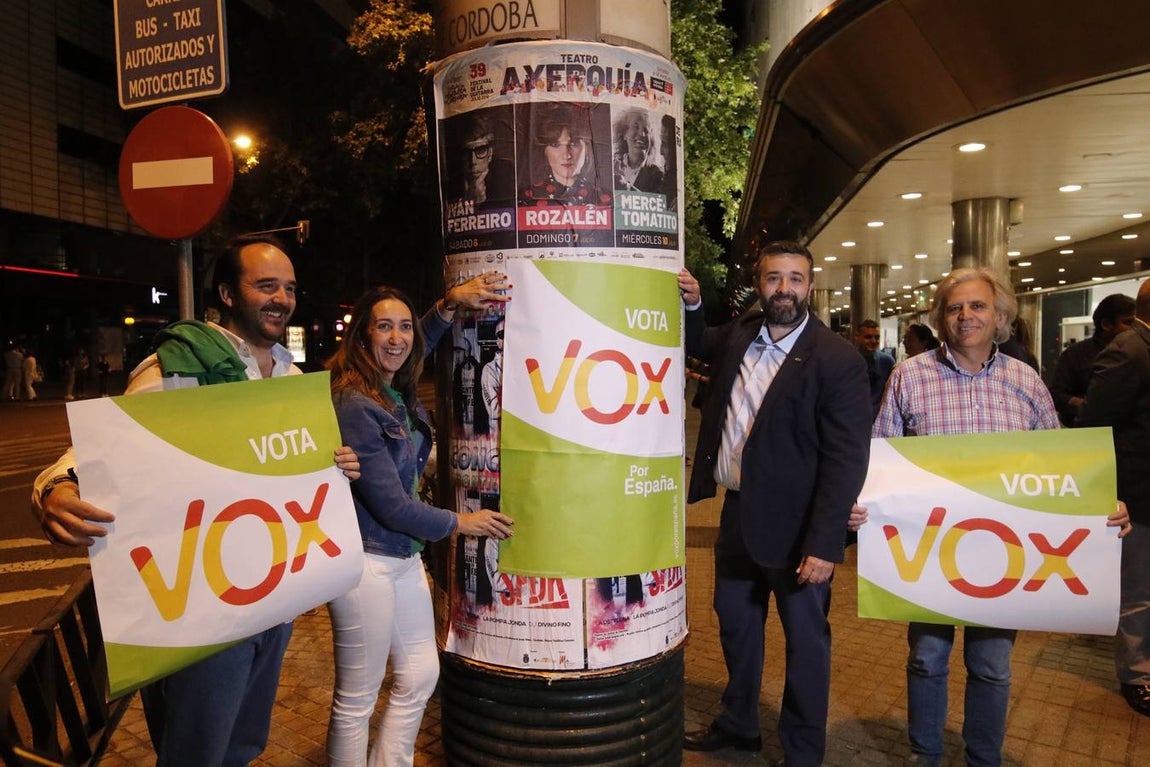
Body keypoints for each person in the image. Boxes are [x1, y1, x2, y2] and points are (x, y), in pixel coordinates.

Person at [31, 234, 362, 767]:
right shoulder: (177, 368)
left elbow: (295, 466)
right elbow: (102, 451)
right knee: (196, 753)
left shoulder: (291, 375)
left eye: (290, 288)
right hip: (202, 608)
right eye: (266, 286)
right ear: (228, 294)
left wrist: (336, 465)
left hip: (273, 595)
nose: (281, 299)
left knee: (243, 745)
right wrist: (56, 489)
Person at [854, 267, 1131, 765]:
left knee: (991, 665)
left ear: (1000, 316)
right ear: (940, 317)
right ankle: (925, 755)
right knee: (927, 657)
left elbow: (1060, 465)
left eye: (978, 306)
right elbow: (880, 458)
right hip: (928, 551)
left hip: (1006, 554)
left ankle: (984, 759)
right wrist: (860, 506)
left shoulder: (1025, 382)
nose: (966, 316)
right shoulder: (908, 377)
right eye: (955, 307)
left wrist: (1100, 506)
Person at [678, 241, 872, 764]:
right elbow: (695, 341)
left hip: (800, 528)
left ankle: (804, 750)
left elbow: (846, 459)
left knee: (806, 643)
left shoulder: (837, 359)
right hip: (739, 514)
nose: (783, 289)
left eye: (794, 279)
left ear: (809, 285)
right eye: (773, 278)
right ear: (758, 284)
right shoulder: (740, 335)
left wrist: (826, 542)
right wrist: (694, 304)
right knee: (736, 625)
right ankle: (739, 724)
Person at [325, 274, 514, 767]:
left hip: (403, 557)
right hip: (365, 562)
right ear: (362, 335)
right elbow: (390, 505)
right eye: (383, 327)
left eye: (404, 327)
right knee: (357, 699)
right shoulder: (354, 403)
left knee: (420, 675)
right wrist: (462, 523)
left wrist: (446, 306)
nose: (397, 337)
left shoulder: (391, 388)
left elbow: (413, 349)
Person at [1077, 280, 1150, 717]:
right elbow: (1095, 424)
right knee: (1139, 589)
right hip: (1139, 490)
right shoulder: (1129, 350)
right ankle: (1138, 675)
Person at [1048, 293, 1135, 426]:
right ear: (1106, 324)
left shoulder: (1137, 353)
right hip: (1086, 433)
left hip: (1127, 434)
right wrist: (1087, 404)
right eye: (1128, 322)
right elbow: (1055, 395)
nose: (1133, 329)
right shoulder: (1075, 354)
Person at [519, 103, 611, 207]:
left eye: (574, 144)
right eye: (556, 145)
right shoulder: (527, 198)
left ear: (586, 149)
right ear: (545, 151)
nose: (567, 155)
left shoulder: (605, 199)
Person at [451, 112, 515, 207]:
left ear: (490, 153)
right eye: (466, 152)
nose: (472, 161)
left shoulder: (504, 175)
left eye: (480, 151)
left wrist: (480, 203)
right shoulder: (451, 183)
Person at [613, 107, 664, 193]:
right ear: (624, 133)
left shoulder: (657, 176)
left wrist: (626, 187)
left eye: (646, 130)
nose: (642, 134)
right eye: (636, 126)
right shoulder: (613, 165)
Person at [854, 319, 894, 418]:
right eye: (868, 337)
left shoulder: (887, 361)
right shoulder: (847, 360)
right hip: (854, 416)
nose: (873, 341)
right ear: (857, 337)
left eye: (876, 337)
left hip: (879, 417)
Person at [480, 318, 504, 422]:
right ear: (498, 341)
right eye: (502, 334)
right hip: (500, 433)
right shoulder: (490, 369)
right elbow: (495, 411)